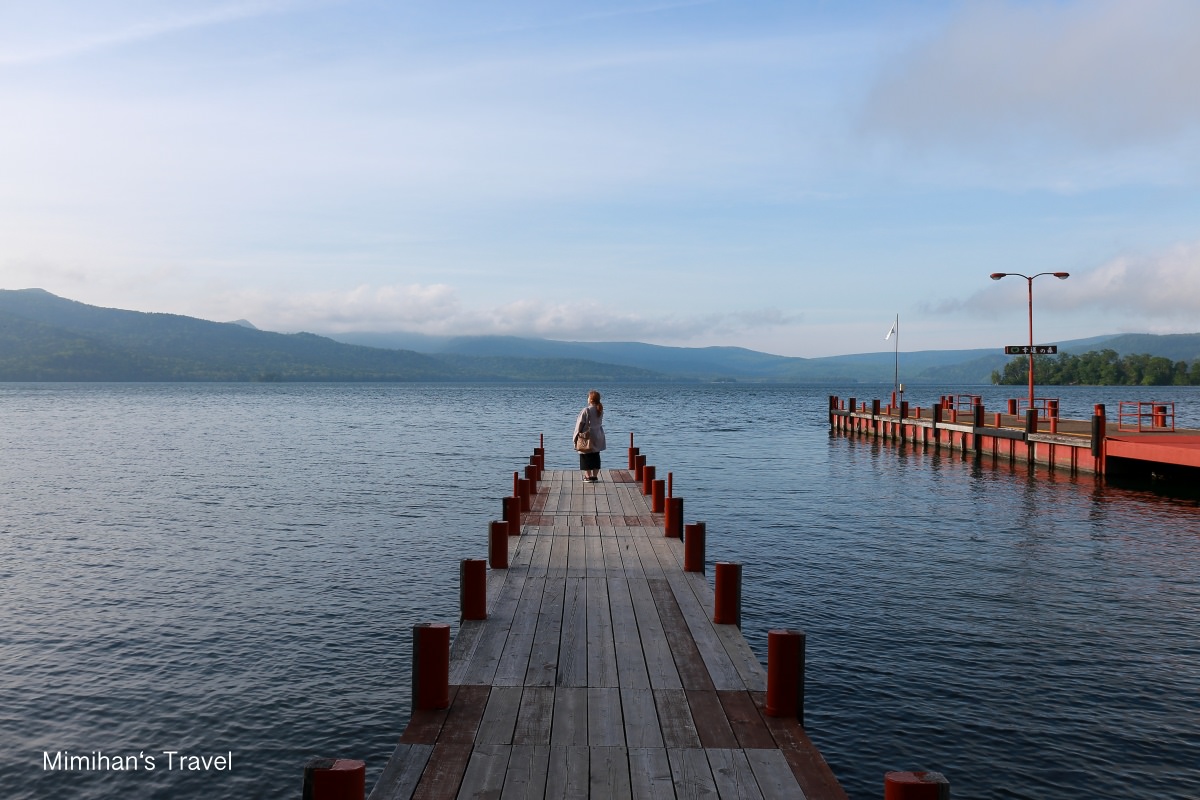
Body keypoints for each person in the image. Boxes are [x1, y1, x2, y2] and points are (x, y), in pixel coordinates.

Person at [573, 390, 606, 482]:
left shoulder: (586, 410)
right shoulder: (600, 410)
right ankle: (594, 476)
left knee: (585, 455)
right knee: (595, 455)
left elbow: (579, 424)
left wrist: (575, 437)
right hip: (598, 435)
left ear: (591, 399)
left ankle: (588, 476)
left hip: (587, 436)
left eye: (588, 397)